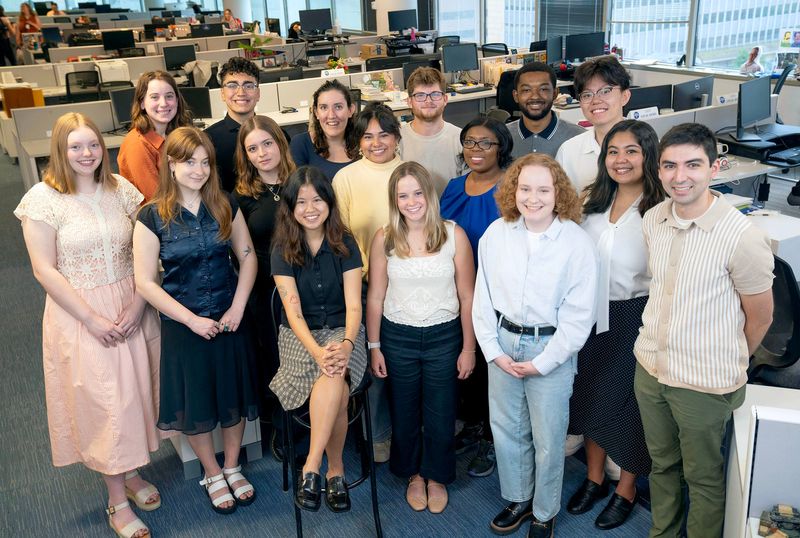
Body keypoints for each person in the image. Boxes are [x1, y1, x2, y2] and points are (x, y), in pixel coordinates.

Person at [14, 112, 161, 538]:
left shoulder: (122, 191)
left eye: (93, 145)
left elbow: (143, 253)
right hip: (79, 313)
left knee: (137, 394)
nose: (86, 154)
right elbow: (45, 271)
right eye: (75, 146)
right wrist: (91, 318)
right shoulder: (42, 199)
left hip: (130, 304)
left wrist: (138, 304)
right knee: (104, 404)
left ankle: (131, 475)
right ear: (60, 150)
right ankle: (117, 502)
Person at [633, 123, 774, 538]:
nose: (681, 176)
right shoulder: (654, 218)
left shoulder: (742, 236)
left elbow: (761, 317)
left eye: (693, 165)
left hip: (703, 382)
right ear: (658, 170)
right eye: (670, 165)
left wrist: (727, 356)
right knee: (662, 465)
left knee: (704, 479)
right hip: (651, 367)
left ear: (715, 167)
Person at [133, 127, 259, 515]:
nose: (199, 170)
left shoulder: (224, 204)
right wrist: (190, 320)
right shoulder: (151, 216)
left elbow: (248, 256)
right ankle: (212, 472)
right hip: (184, 324)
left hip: (228, 317)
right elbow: (144, 282)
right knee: (198, 401)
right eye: (189, 162)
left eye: (205, 162)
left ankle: (234, 465)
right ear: (171, 164)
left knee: (233, 396)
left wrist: (237, 307)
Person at [473, 153, 597, 538]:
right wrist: (494, 351)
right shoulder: (496, 234)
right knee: (508, 430)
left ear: (558, 193)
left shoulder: (576, 242)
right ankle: (519, 498)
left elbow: (580, 316)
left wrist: (545, 363)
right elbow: (482, 300)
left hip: (552, 348)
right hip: (505, 343)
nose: (533, 198)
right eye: (525, 188)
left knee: (548, 439)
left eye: (543, 189)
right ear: (513, 190)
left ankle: (544, 511)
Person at [566, 120, 666, 530]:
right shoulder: (592, 201)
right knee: (588, 396)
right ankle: (593, 479)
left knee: (629, 408)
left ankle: (625, 489)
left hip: (635, 316)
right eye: (613, 151)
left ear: (648, 156)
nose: (620, 160)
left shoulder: (659, 211)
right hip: (587, 315)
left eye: (631, 151)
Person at [366, 162, 476, 514]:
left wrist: (469, 347)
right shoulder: (385, 237)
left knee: (441, 411)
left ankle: (437, 476)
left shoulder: (453, 235)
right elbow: (375, 297)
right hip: (397, 336)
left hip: (445, 336)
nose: (411, 201)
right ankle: (413, 474)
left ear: (428, 194)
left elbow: (468, 296)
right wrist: (374, 346)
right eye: (403, 195)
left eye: (417, 193)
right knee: (405, 408)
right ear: (394, 200)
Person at [270, 165, 367, 513]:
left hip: (346, 333)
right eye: (301, 202)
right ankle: (334, 471)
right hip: (301, 337)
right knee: (332, 377)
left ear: (329, 201)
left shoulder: (346, 242)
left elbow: (355, 306)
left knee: (335, 371)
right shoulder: (282, 248)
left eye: (317, 200)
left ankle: (312, 467)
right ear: (290, 207)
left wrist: (346, 345)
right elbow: (293, 313)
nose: (310, 208)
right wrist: (317, 351)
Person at [439, 115, 513, 478]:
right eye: (469, 142)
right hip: (455, 293)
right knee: (464, 368)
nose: (476, 150)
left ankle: (491, 439)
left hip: (498, 296)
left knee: (490, 372)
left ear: (501, 147)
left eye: (486, 143)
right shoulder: (453, 187)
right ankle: (471, 425)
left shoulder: (511, 188)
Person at [332, 102, 404, 462]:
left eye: (384, 135)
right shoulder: (345, 178)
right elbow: (340, 237)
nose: (377, 143)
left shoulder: (409, 173)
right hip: (362, 285)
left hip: (408, 286)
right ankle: (379, 436)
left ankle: (408, 430)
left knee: (404, 364)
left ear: (396, 137)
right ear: (358, 141)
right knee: (374, 365)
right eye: (368, 136)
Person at [234, 114, 296, 456]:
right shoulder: (241, 196)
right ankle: (285, 426)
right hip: (266, 291)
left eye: (267, 143)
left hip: (305, 283)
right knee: (276, 359)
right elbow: (243, 253)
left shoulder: (301, 182)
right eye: (252, 148)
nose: (262, 153)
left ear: (280, 143)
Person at [556, 56, 631, 192]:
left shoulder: (649, 145)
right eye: (587, 95)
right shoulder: (568, 152)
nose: (596, 100)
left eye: (605, 91)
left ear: (625, 96)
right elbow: (562, 207)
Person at [118, 71, 191, 201]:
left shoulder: (174, 135)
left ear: (177, 100)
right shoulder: (137, 144)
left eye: (169, 96)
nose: (163, 103)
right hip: (161, 216)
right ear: (141, 103)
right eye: (154, 97)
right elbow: (156, 200)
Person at [398, 67, 466, 195]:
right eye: (420, 95)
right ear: (409, 102)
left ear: (445, 99)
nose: (428, 101)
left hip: (449, 214)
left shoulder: (461, 139)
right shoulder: (396, 139)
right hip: (410, 212)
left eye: (435, 94)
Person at [205, 57, 262, 192]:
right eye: (232, 85)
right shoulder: (207, 140)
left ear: (258, 94)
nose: (241, 93)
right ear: (222, 94)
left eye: (248, 85)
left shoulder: (275, 135)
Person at [508, 62, 584, 159]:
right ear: (516, 96)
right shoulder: (501, 138)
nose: (535, 96)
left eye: (543, 89)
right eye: (526, 90)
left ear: (555, 93)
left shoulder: (578, 137)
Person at [290, 79, 357, 182]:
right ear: (316, 112)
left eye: (338, 107)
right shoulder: (301, 144)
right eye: (324, 108)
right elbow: (298, 191)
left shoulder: (364, 142)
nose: (331, 115)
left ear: (350, 110)